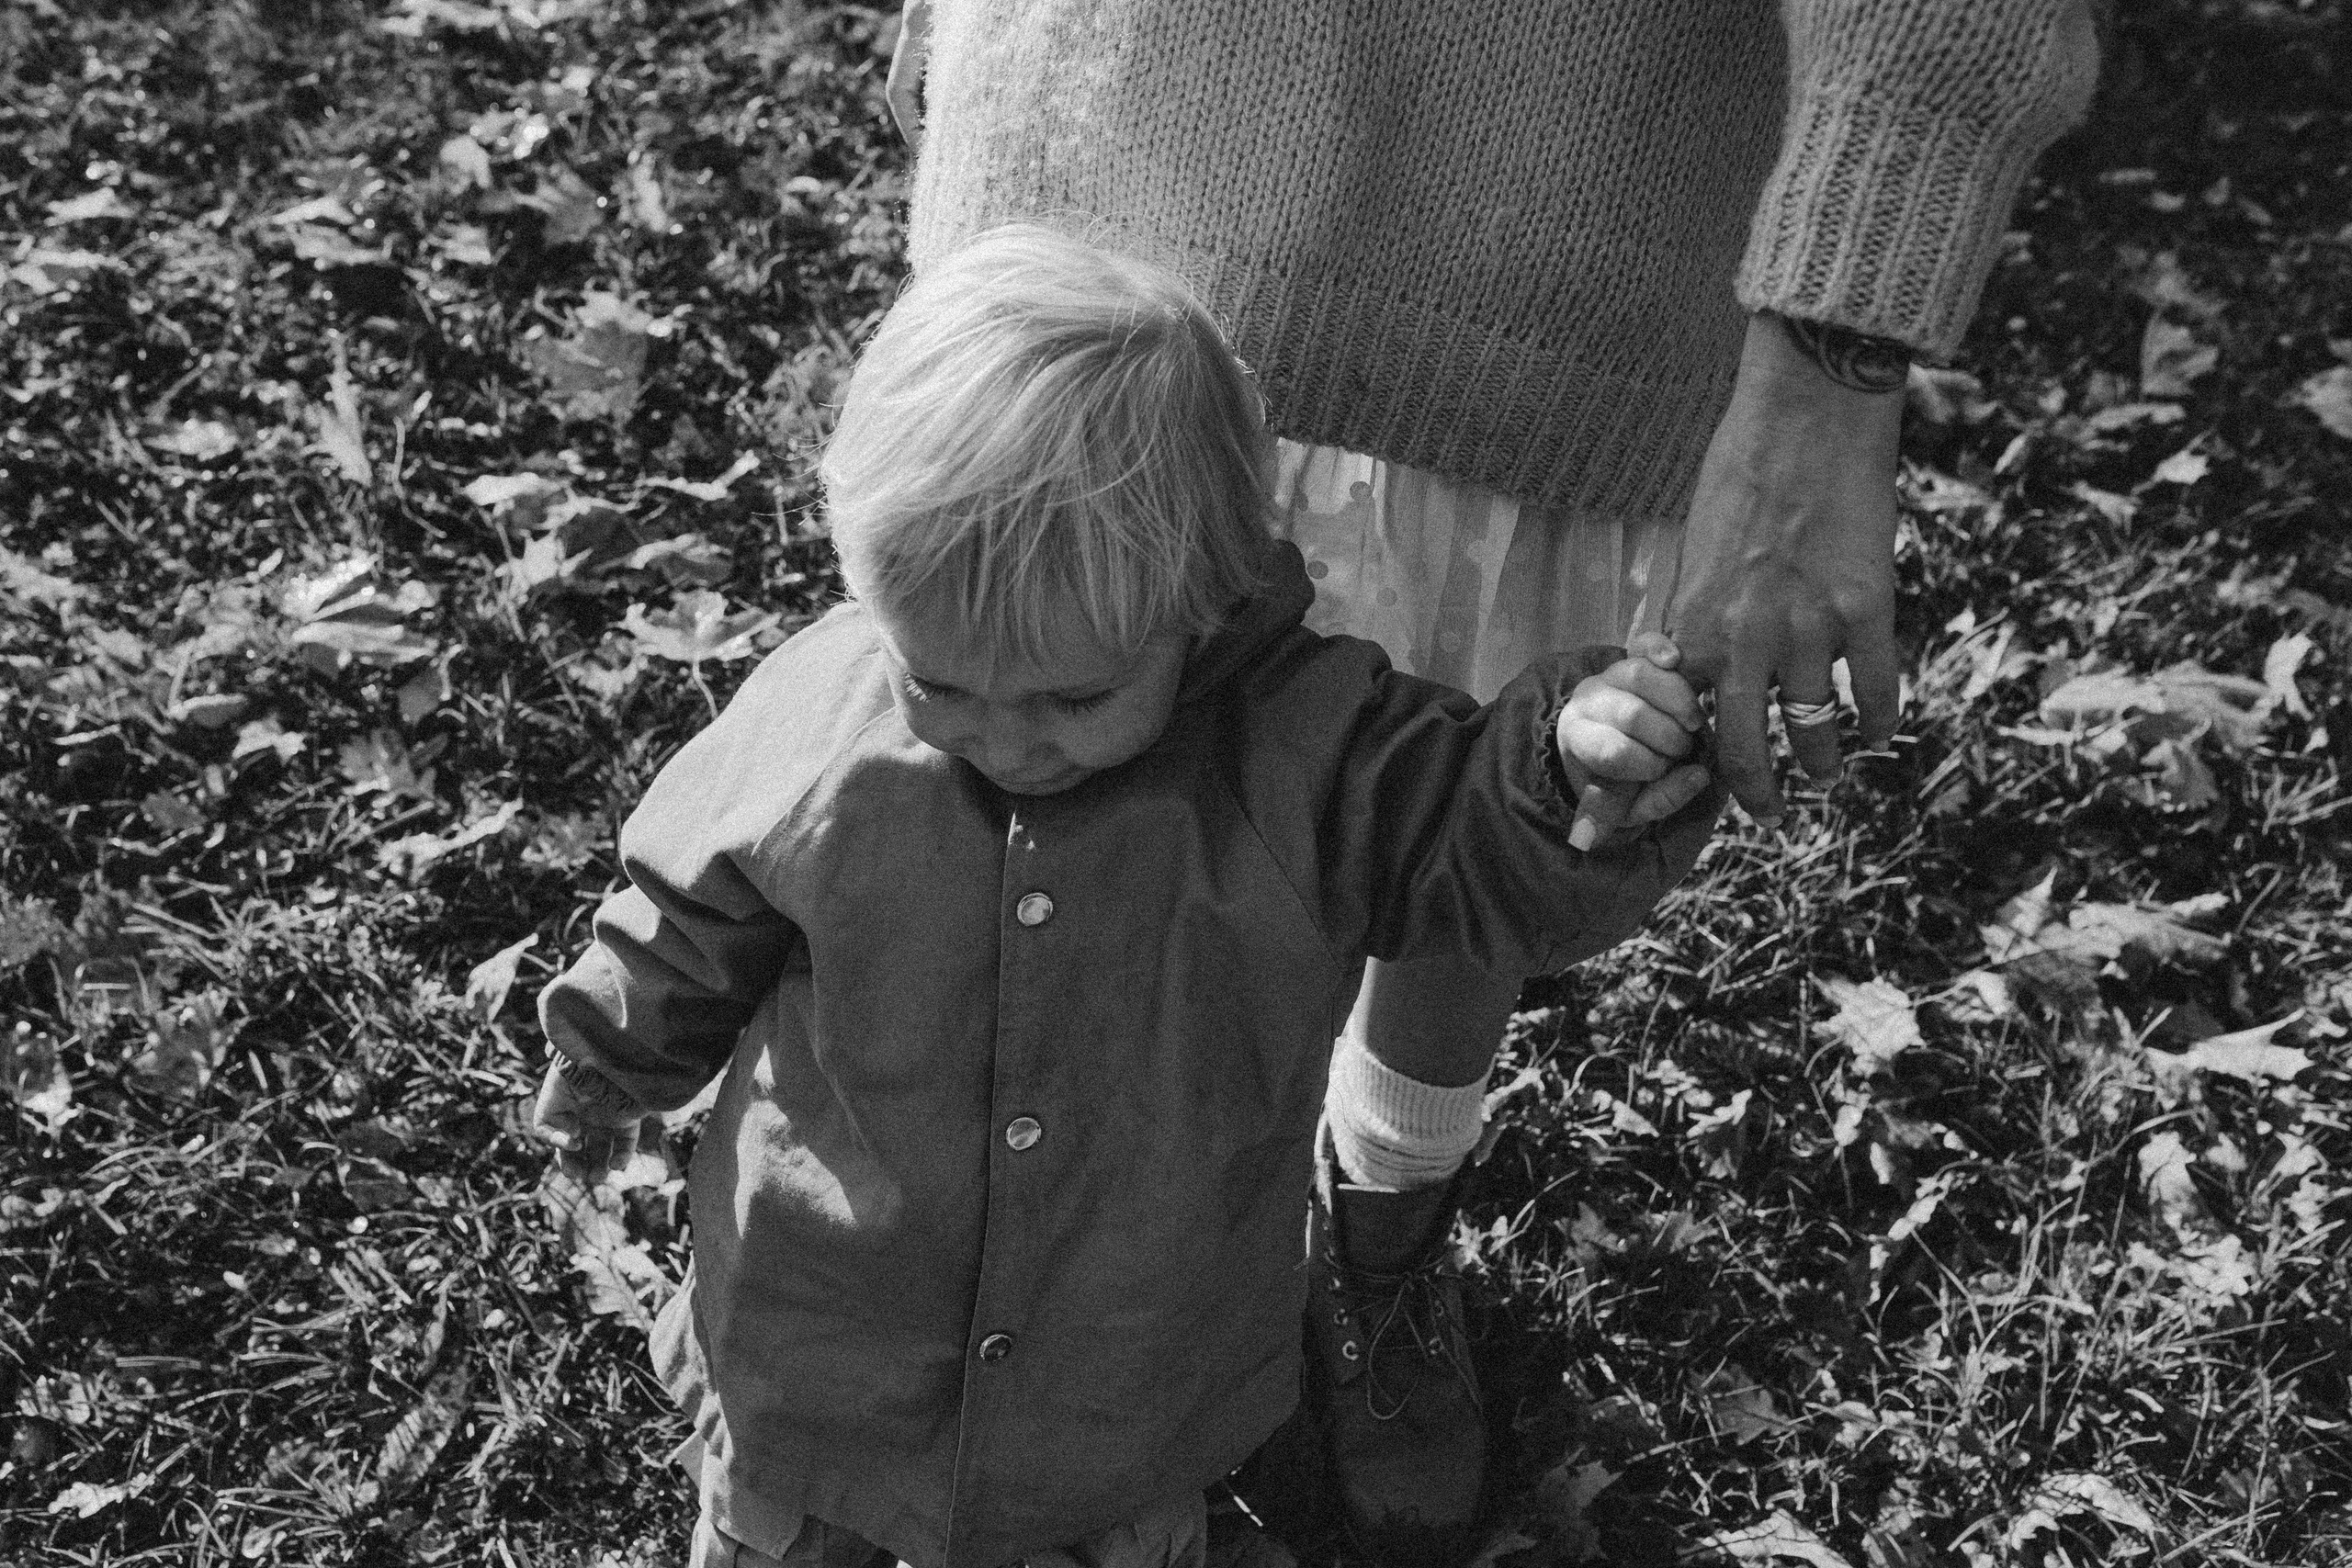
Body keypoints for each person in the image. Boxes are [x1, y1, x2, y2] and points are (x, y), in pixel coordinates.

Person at [886, 2, 2102, 1553]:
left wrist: (1830, 361)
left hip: (1544, 227)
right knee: (1051, 751)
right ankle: (1066, 1263)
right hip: (1079, 155)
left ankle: (1384, 1212)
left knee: (1459, 814)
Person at [528, 227, 1720, 1568]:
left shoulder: (1305, 755)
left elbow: (1469, 851)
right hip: (830, 1329)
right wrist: (612, 1042)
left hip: (1129, 1358)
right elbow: (696, 901)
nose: (1006, 739)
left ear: (1201, 601)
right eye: (943, 684)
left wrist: (1561, 767)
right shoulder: (829, 711)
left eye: (1074, 696)